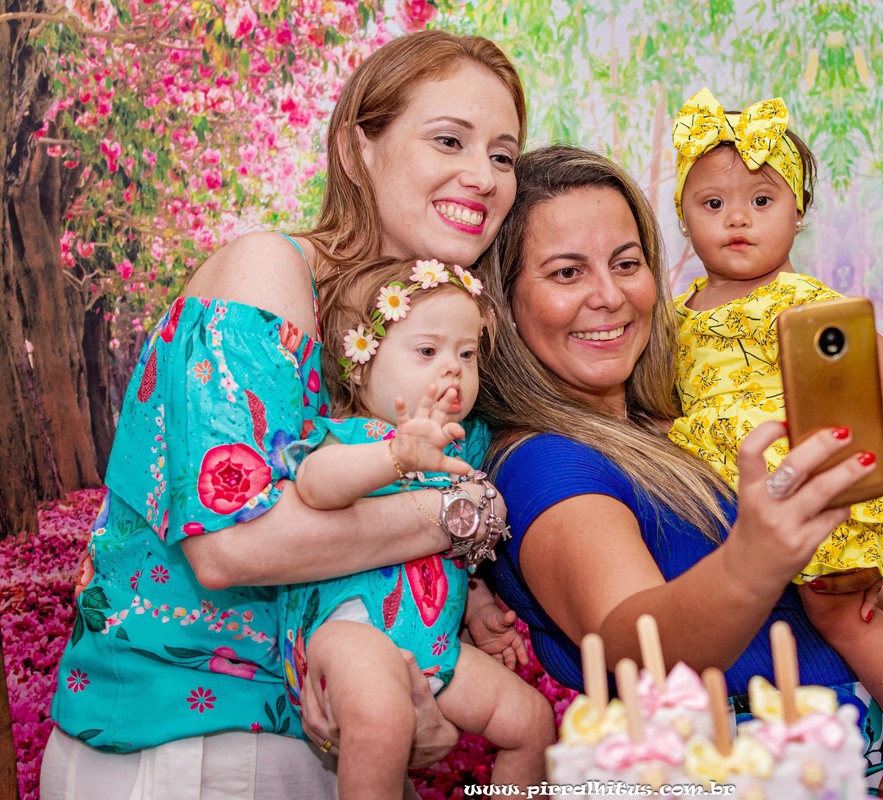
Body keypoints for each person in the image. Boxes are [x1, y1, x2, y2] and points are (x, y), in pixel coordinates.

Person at [42, 29, 526, 799]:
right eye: (449, 139)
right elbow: (232, 546)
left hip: (312, 745)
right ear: (355, 145)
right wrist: (462, 512)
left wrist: (412, 699)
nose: (484, 176)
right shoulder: (270, 272)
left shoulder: (430, 344)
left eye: (503, 154)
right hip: (187, 751)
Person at [476, 145, 883, 783]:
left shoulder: (678, 419)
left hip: (839, 750)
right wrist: (756, 558)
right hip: (730, 768)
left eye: (627, 264)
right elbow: (630, 647)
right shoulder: (547, 462)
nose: (609, 296)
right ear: (504, 304)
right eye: (567, 274)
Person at [667, 88, 883, 799]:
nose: (737, 218)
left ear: (798, 214)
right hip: (758, 492)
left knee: (836, 603)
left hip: (818, 468)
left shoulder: (798, 295)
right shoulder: (677, 316)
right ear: (683, 217)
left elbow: (865, 348)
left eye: (762, 202)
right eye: (713, 204)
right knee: (865, 598)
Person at [280, 256, 553, 798]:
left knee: (532, 722)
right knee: (382, 717)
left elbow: (460, 542)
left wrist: (476, 605)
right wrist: (395, 457)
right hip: (349, 632)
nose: (452, 369)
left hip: (434, 647)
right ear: (361, 364)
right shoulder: (349, 435)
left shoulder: (467, 443)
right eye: (427, 351)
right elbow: (315, 485)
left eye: (467, 354)